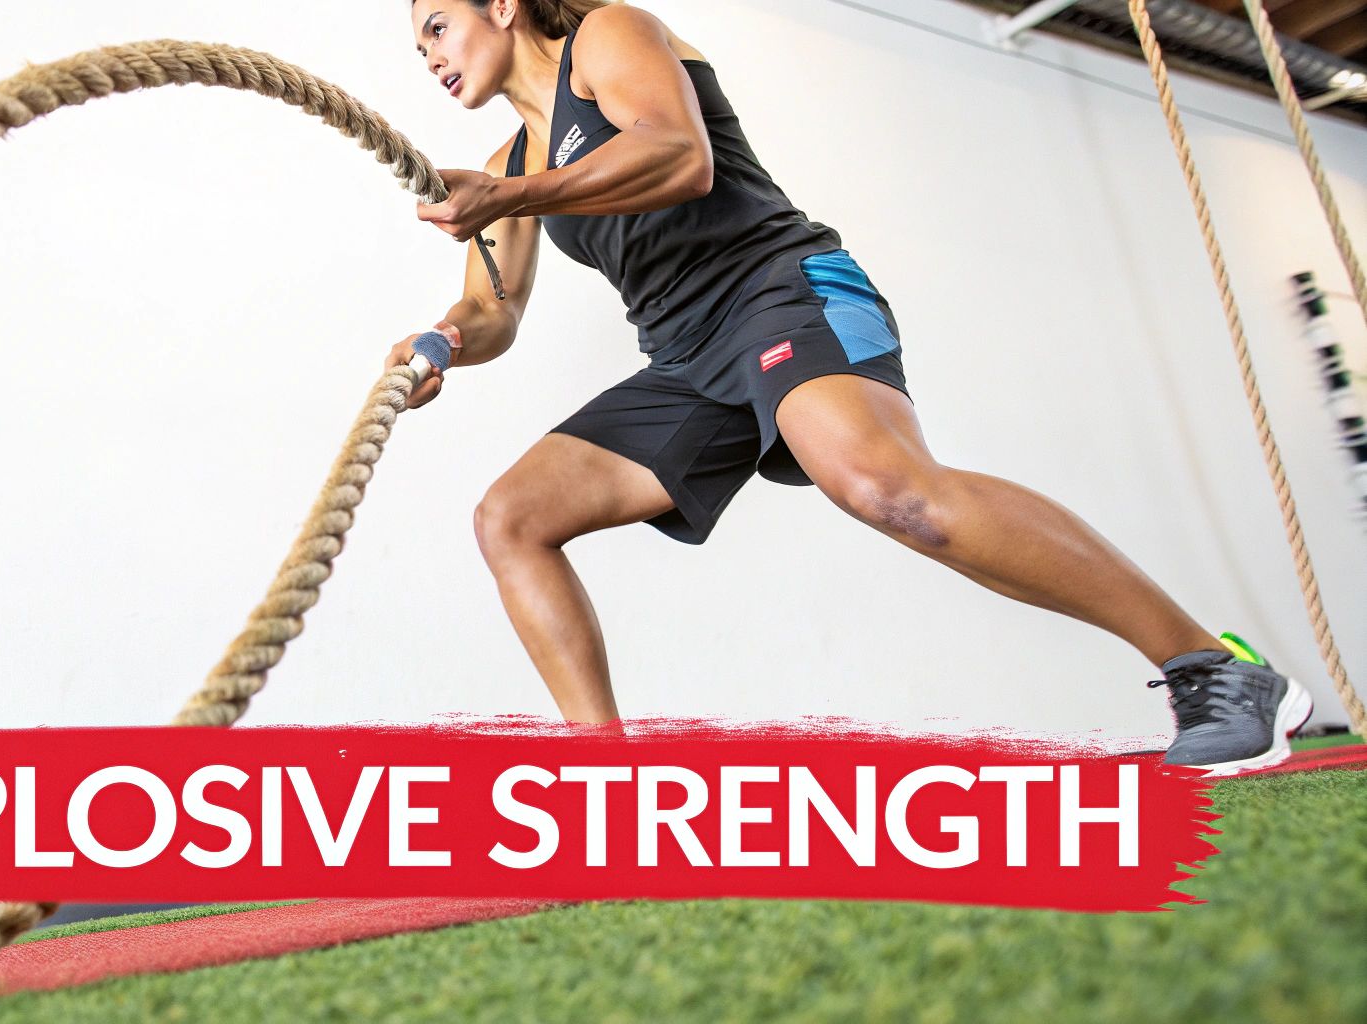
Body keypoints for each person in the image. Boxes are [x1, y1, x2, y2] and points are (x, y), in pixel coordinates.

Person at [390, 0, 1312, 775]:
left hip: (780, 290)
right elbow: (492, 308)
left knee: (886, 489)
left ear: (503, 3)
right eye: (418, 44)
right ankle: (611, 788)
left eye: (437, 23)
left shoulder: (605, 36)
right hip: (685, 355)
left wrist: (514, 200)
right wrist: (441, 341)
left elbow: (677, 153)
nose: (429, 53)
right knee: (512, 518)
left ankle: (1214, 669)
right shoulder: (512, 165)